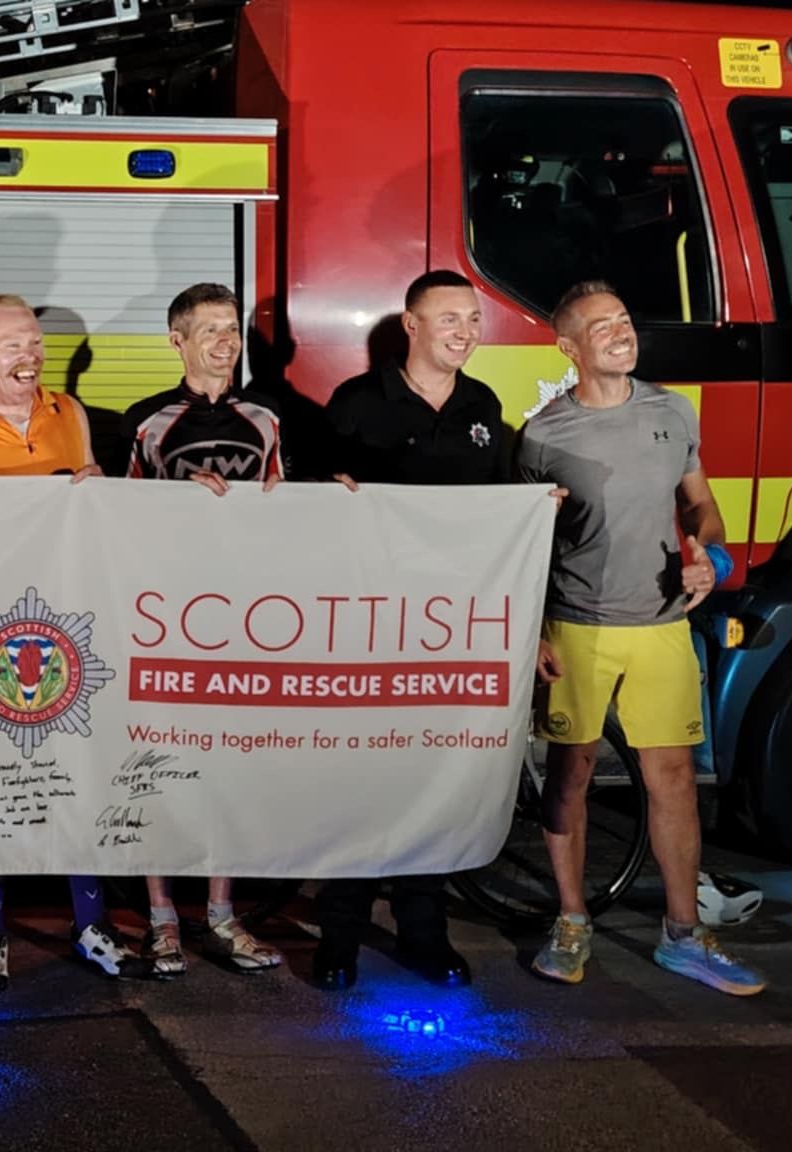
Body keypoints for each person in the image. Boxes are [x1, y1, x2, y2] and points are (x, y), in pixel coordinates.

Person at [519, 280, 765, 997]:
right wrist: (533, 631)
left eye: (625, 319)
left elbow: (703, 507)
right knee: (571, 776)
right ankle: (571, 923)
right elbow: (526, 545)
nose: (621, 333)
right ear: (568, 348)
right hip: (579, 627)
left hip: (661, 629)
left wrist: (709, 560)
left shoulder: (672, 410)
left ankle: (683, 935)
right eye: (602, 327)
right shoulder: (542, 435)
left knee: (674, 780)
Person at [0, 293, 152, 994]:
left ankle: (91, 923)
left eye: (36, 343)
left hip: (70, 629)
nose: (30, 355)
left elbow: (91, 517)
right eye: (12, 344)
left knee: (82, 777)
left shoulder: (68, 415)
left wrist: (99, 492)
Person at [310, 269, 516, 991]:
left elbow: (504, 511)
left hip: (453, 628)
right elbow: (308, 515)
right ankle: (338, 935)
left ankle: (425, 933)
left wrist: (538, 508)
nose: (464, 331)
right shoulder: (356, 405)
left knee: (434, 778)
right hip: (369, 625)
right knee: (358, 779)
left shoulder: (485, 406)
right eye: (449, 318)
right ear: (411, 324)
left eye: (473, 319)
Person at [121, 282, 285, 979]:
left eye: (232, 329)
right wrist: (172, 507)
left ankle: (222, 915)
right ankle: (162, 922)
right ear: (177, 341)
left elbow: (291, 511)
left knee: (227, 769)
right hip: (163, 621)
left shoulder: (268, 418)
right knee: (156, 771)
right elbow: (115, 515)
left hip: (240, 620)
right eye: (210, 329)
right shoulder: (146, 420)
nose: (225, 341)